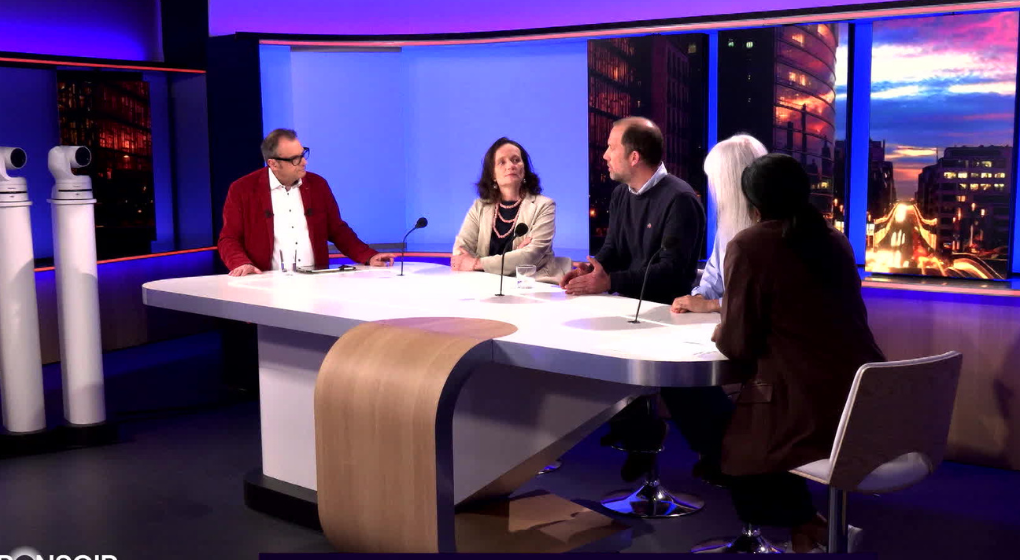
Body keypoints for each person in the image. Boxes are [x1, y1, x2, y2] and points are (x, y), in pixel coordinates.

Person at [712, 153, 885, 553]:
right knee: (745, 420)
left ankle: (809, 524)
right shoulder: (836, 240)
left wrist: (720, 324)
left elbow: (737, 344)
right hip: (865, 400)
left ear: (753, 205)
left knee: (725, 437)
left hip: (807, 406)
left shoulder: (750, 245)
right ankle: (808, 531)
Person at [560, 117, 705, 302]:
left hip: (666, 310)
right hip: (625, 303)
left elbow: (670, 271)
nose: (605, 155)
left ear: (634, 157)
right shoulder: (620, 193)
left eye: (611, 147)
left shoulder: (681, 199)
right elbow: (613, 249)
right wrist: (591, 271)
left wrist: (610, 282)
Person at [217, 128, 396, 276]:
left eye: (303, 154)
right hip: (266, 285)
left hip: (316, 283)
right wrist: (241, 263)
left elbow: (337, 230)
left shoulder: (317, 185)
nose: (304, 162)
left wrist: (368, 256)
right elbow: (229, 238)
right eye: (295, 159)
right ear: (273, 164)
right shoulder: (243, 189)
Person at [671, 134, 767, 314]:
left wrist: (712, 305)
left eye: (717, 180)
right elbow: (714, 276)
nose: (714, 188)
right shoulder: (728, 224)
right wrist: (699, 297)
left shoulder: (774, 230)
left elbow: (766, 298)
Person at [451, 137, 569, 283]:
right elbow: (460, 252)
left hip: (531, 285)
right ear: (492, 174)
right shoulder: (479, 207)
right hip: (485, 283)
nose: (511, 166)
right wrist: (515, 256)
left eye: (516, 160)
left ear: (524, 169)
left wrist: (476, 263)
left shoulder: (544, 205)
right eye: (502, 162)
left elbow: (530, 256)